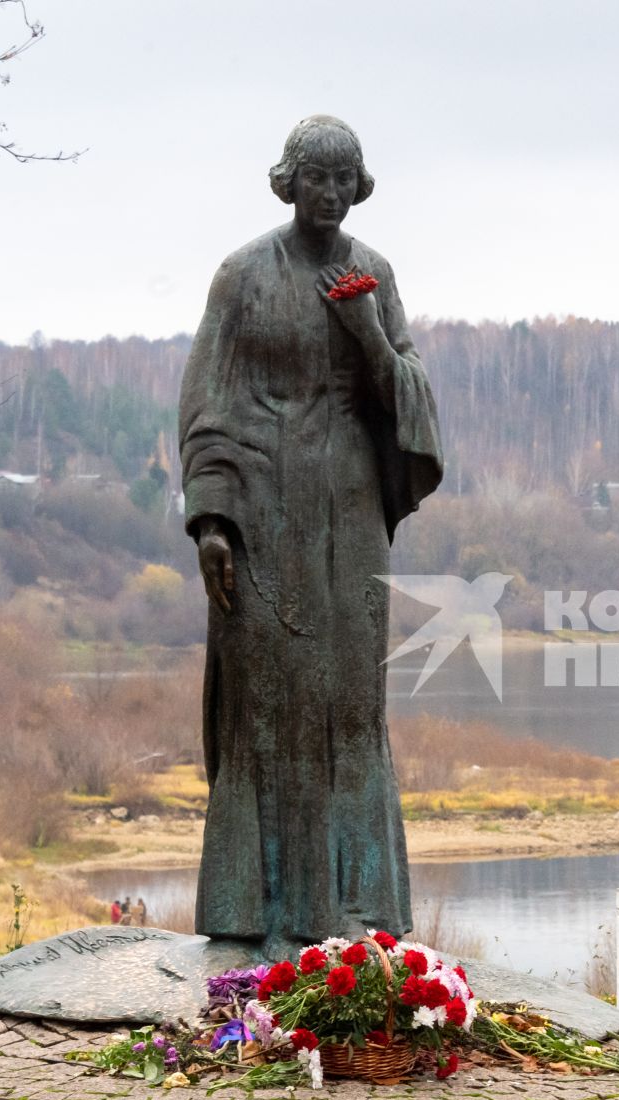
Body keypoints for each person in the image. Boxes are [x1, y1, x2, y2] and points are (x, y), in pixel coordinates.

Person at [180, 115, 440, 956]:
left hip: (353, 516)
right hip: (261, 518)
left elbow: (412, 399)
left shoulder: (375, 274)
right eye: (314, 178)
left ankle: (361, 913)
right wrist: (211, 519)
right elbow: (208, 400)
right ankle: (252, 915)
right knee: (268, 706)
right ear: (288, 181)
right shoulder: (243, 275)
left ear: (358, 186)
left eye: (344, 180)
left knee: (351, 706)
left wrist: (367, 335)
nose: (329, 195)